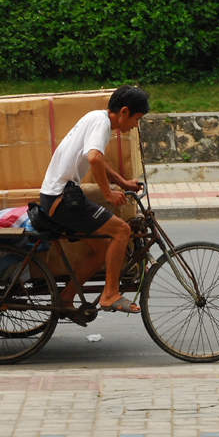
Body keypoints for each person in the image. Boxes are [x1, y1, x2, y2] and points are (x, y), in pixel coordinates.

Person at [38, 85, 148, 319]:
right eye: (137, 119)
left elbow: (98, 158)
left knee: (101, 250)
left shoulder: (96, 118)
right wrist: (108, 194)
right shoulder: (102, 123)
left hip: (55, 197)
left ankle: (66, 297)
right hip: (62, 199)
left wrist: (123, 182)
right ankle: (110, 294)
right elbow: (94, 158)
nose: (135, 125)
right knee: (122, 230)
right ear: (124, 111)